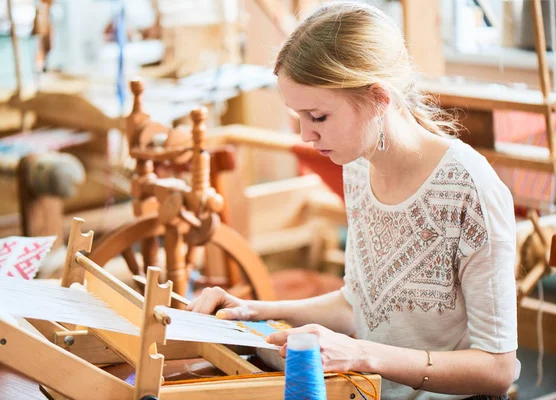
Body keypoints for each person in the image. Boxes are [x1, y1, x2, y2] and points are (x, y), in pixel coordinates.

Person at [187, 2, 519, 399]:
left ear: (378, 98)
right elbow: (359, 304)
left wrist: (361, 354)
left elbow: (497, 368)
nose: (306, 135)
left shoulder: (469, 188)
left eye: (318, 117)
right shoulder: (359, 165)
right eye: (299, 116)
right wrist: (254, 310)